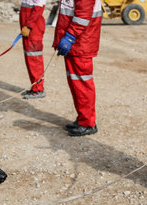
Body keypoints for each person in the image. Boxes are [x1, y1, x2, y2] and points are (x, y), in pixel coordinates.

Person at [53, 0, 102, 136]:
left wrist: (70, 36)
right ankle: (82, 118)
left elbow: (83, 14)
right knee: (76, 84)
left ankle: (88, 123)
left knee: (82, 84)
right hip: (77, 43)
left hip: (80, 42)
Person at [19, 0, 46, 99]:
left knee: (35, 60)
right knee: (30, 60)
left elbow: (39, 8)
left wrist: (29, 25)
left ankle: (38, 89)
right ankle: (34, 87)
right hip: (28, 30)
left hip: (34, 30)